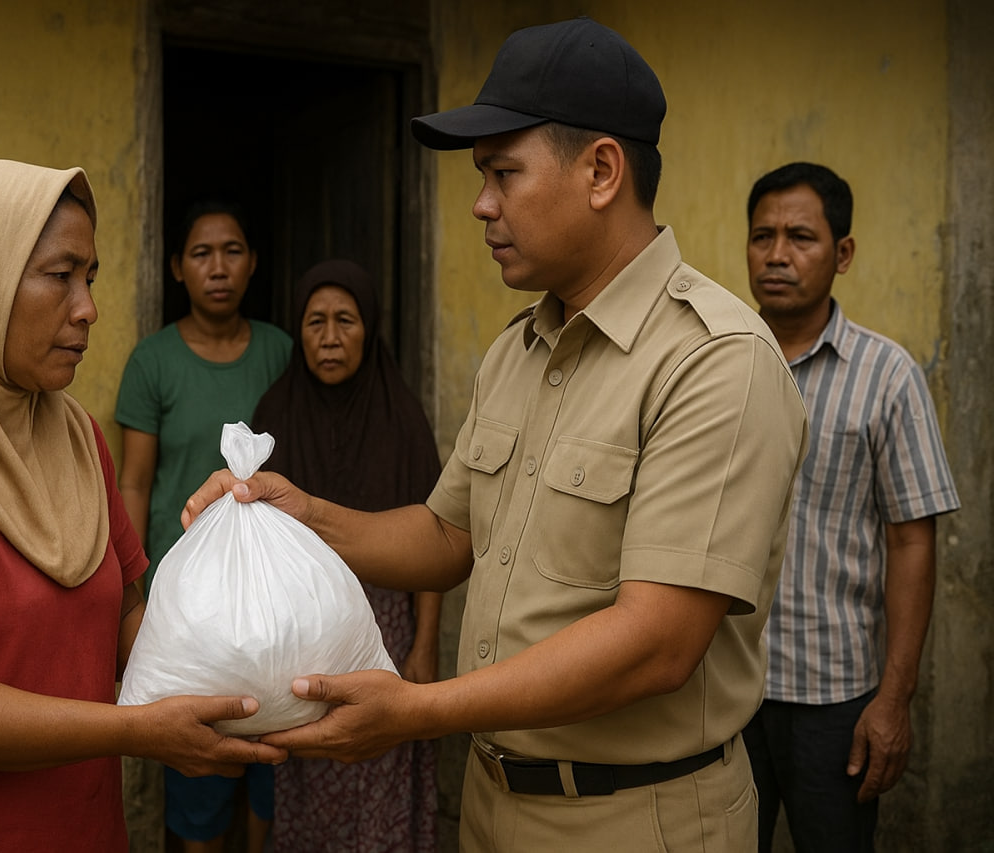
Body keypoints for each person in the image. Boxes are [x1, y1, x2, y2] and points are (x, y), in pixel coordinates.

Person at [182, 17, 810, 852]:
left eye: (503, 173)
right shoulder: (521, 348)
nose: (481, 204)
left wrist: (417, 710)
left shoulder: (713, 362)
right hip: (492, 800)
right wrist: (299, 513)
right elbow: (448, 536)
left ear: (600, 171)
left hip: (638, 815)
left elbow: (657, 643)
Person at [0, 159, 285, 853]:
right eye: (59, 274)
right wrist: (141, 728)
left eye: (89, 277)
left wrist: (246, 684)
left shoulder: (74, 433)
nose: (88, 306)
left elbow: (128, 613)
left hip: (77, 826)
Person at [741, 162, 960, 852]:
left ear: (843, 253)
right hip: (717, 684)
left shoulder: (888, 375)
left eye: (800, 237)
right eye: (762, 235)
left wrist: (893, 700)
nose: (777, 254)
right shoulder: (715, 362)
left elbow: (910, 542)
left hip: (834, 697)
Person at [115, 200, 290, 852]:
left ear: (252, 263)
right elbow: (134, 480)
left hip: (272, 596)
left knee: (275, 749)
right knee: (198, 768)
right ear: (176, 269)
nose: (218, 267)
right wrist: (132, 589)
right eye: (201, 253)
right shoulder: (153, 361)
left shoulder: (280, 350)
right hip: (184, 596)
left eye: (233, 251)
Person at [251, 258, 441, 852]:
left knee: (382, 770)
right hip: (298, 635)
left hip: (384, 633)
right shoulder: (275, 415)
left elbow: (436, 543)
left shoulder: (402, 417)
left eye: (345, 321)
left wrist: (425, 644)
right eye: (314, 322)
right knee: (310, 770)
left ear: (370, 328)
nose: (329, 338)